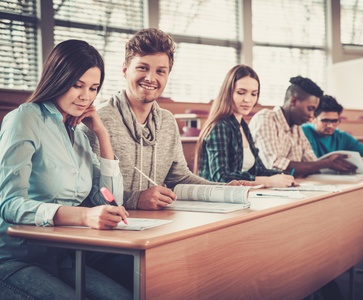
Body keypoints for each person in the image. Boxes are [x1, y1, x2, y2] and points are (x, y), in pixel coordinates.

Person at [0, 40, 131, 299]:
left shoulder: (78, 134)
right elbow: (9, 205)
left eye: (93, 88)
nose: (86, 96)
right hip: (17, 259)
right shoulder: (25, 118)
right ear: (58, 78)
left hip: (65, 257)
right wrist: (83, 217)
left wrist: (102, 135)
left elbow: (111, 199)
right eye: (77, 85)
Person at [82, 28, 249, 212]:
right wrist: (135, 199)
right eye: (142, 68)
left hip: (156, 224)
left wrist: (223, 189)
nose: (151, 78)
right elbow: (86, 193)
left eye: (160, 71)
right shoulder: (99, 121)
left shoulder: (167, 121)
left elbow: (180, 178)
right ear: (125, 70)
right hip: (111, 227)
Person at [194, 65, 295, 187]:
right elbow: (221, 177)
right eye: (241, 93)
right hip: (216, 199)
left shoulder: (243, 126)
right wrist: (269, 181)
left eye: (254, 94)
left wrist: (283, 176)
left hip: (238, 196)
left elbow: (258, 169)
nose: (248, 99)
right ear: (228, 93)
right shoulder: (220, 126)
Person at [249, 76, 356, 177]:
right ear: (293, 101)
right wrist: (325, 163)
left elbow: (310, 162)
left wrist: (330, 161)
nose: (312, 115)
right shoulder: (265, 118)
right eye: (310, 109)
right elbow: (274, 167)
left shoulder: (296, 126)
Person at [302, 95, 363, 166]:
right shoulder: (303, 132)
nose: (330, 125)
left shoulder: (342, 137)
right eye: (325, 121)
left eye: (334, 121)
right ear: (313, 119)